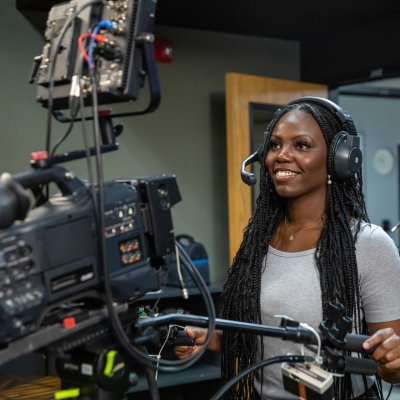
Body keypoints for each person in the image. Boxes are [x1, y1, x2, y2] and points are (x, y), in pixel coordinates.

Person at [175, 97, 400, 400]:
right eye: (275, 145)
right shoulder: (258, 240)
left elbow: (392, 364)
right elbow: (265, 333)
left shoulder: (367, 244)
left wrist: (391, 362)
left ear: (340, 158)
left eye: (302, 145)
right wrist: (212, 339)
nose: (282, 155)